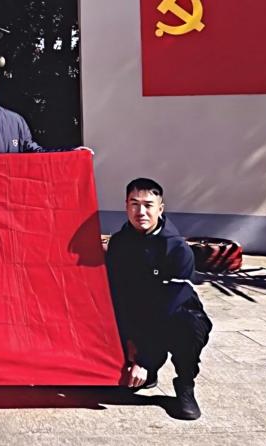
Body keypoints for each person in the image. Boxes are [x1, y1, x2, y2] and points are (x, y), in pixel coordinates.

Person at [105, 177, 212, 420]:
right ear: (126, 206)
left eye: (148, 205)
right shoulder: (119, 243)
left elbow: (167, 308)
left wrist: (144, 356)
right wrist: (127, 340)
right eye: (134, 204)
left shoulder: (177, 249)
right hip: (136, 314)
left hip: (171, 314)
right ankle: (148, 371)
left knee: (189, 327)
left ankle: (185, 386)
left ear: (160, 208)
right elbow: (115, 295)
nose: (140, 212)